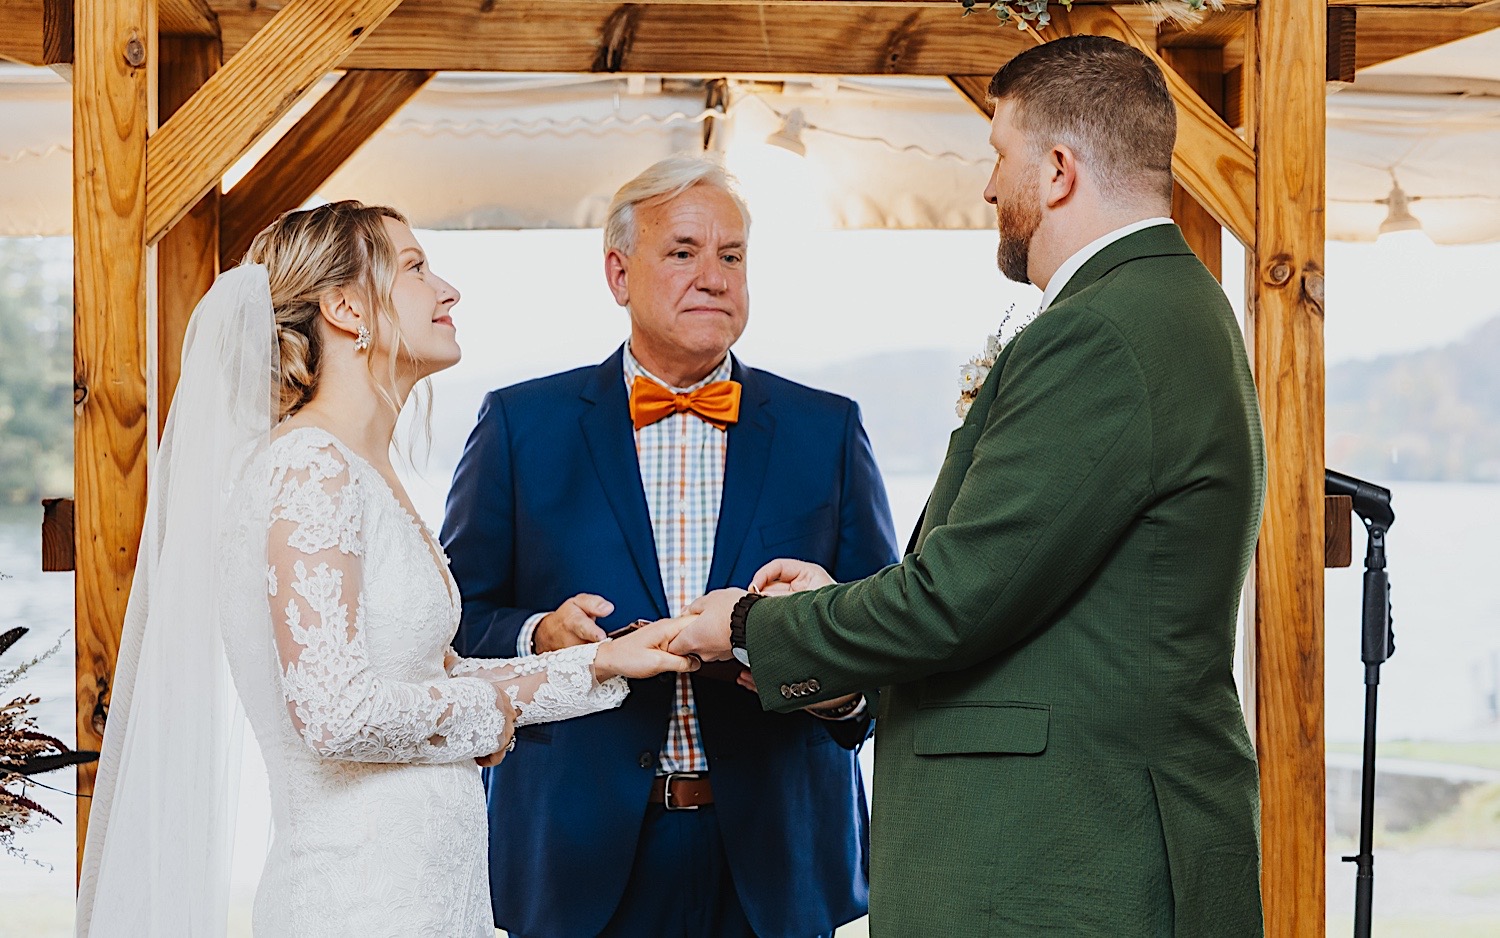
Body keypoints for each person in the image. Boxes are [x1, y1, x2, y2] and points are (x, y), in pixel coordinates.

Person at [670, 36, 1267, 936]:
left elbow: (958, 597)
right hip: (1083, 838)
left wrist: (752, 627)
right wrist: (842, 606)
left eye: (1000, 157)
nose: (990, 189)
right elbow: (1023, 583)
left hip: (1065, 859)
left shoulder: (1101, 332)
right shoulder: (1165, 306)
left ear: (1059, 169)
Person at [75, 201, 699, 938]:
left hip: (427, 898)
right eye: (413, 268)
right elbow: (335, 714)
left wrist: (601, 662)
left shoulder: (358, 469)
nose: (447, 291)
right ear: (345, 308)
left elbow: (416, 681)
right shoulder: (309, 469)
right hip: (360, 902)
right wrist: (485, 719)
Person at [441, 155, 898, 938]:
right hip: (575, 860)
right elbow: (451, 623)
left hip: (776, 862)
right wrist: (538, 637)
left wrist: (827, 680)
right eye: (683, 251)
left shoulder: (827, 429)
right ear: (619, 274)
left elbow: (886, 640)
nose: (714, 277)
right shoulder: (522, 426)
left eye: (732, 256)